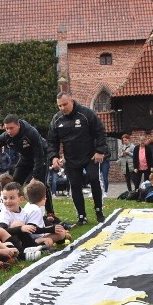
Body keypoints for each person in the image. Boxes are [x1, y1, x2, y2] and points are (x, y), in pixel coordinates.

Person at [47, 92, 108, 225]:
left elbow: (100, 132)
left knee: (94, 179)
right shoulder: (57, 119)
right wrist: (54, 157)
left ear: (72, 101)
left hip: (90, 156)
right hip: (71, 158)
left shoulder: (86, 114)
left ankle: (99, 211)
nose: (62, 108)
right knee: (74, 185)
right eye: (59, 106)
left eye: (65, 104)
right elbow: (52, 141)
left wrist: (99, 150)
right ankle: (81, 216)